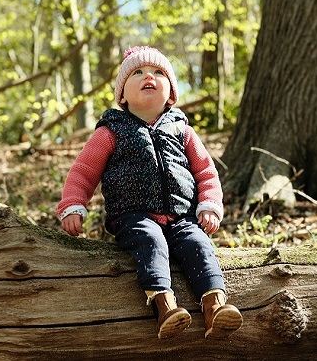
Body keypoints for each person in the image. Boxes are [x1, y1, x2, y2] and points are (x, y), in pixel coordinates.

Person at [56, 46, 243, 340]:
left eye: (158, 73)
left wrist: (209, 204)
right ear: (122, 95)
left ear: (170, 93)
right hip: (134, 216)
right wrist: (73, 205)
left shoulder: (182, 129)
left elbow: (206, 171)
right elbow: (83, 171)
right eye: (138, 72)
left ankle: (214, 306)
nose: (149, 77)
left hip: (182, 216)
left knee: (199, 244)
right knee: (150, 241)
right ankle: (164, 306)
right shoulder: (111, 130)